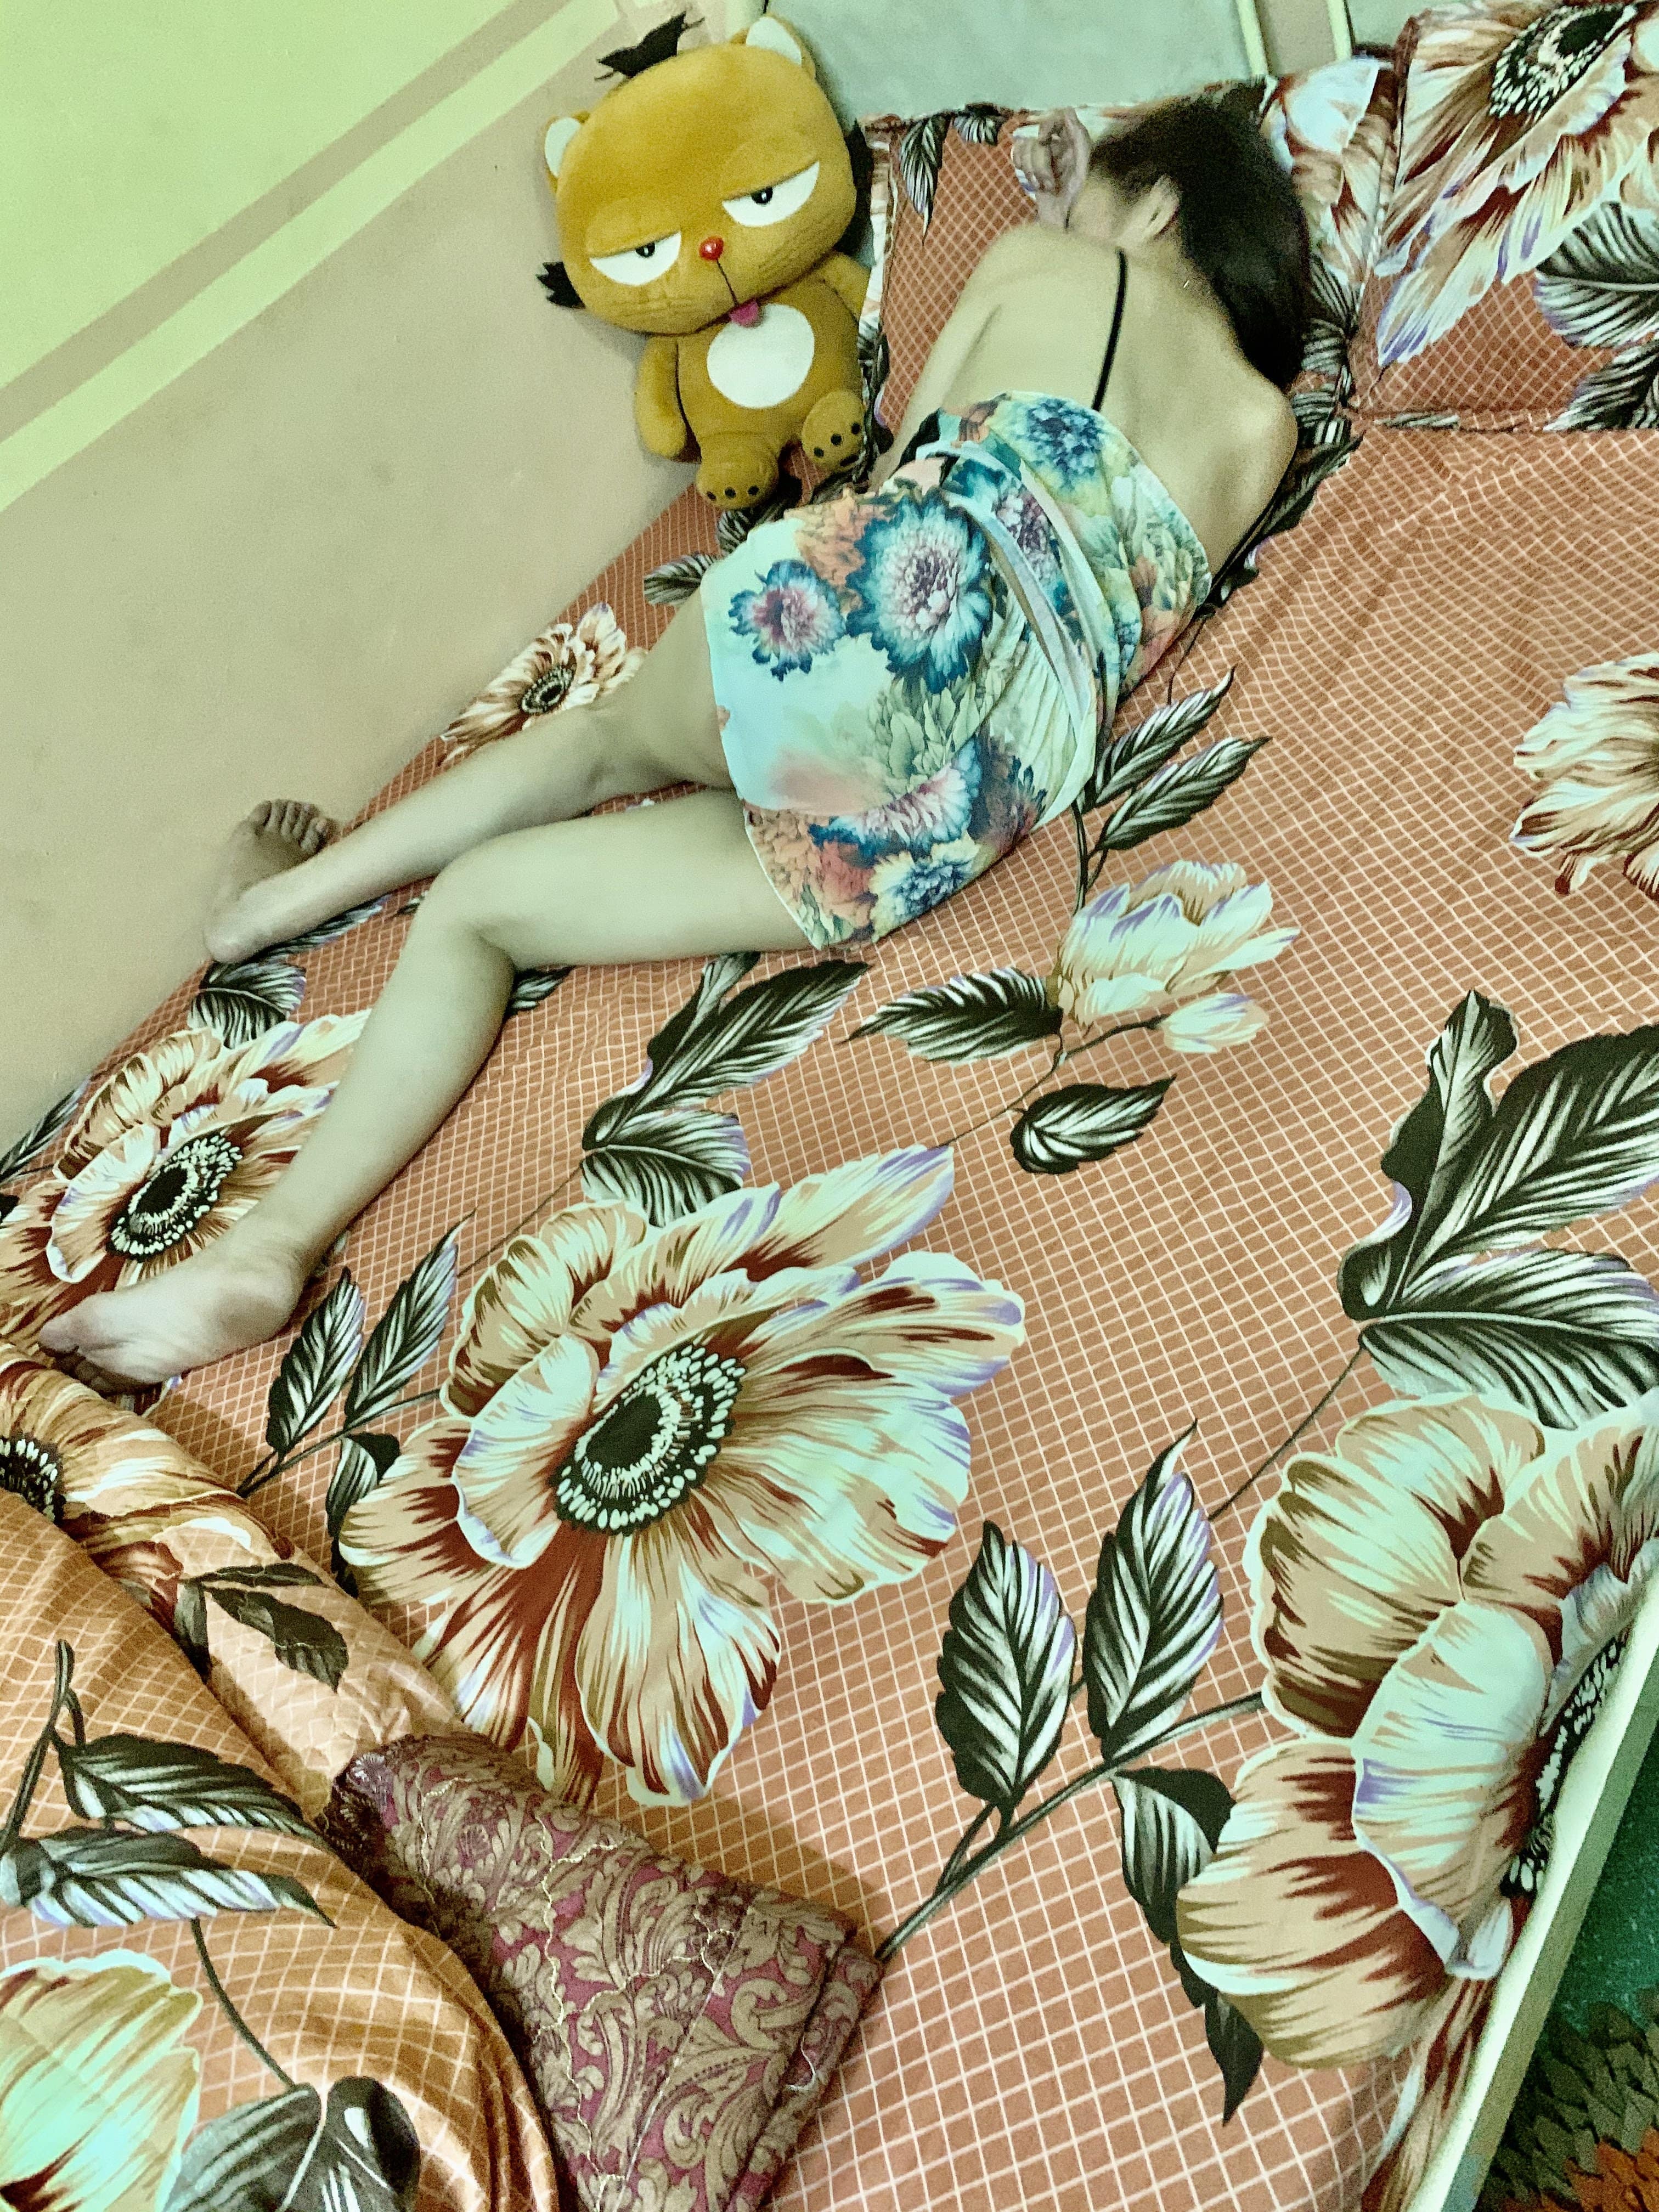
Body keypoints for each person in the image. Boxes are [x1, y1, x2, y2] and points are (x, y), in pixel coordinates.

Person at [42, 95, 1306, 1388]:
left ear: (1159, 202)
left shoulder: (1047, 260)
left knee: (602, 742)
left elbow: (896, 469)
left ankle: (264, 932)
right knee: (484, 912)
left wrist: (1050, 229)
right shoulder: (1269, 431)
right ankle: (265, 1259)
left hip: (884, 623)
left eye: (1096, 201)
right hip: (977, 792)